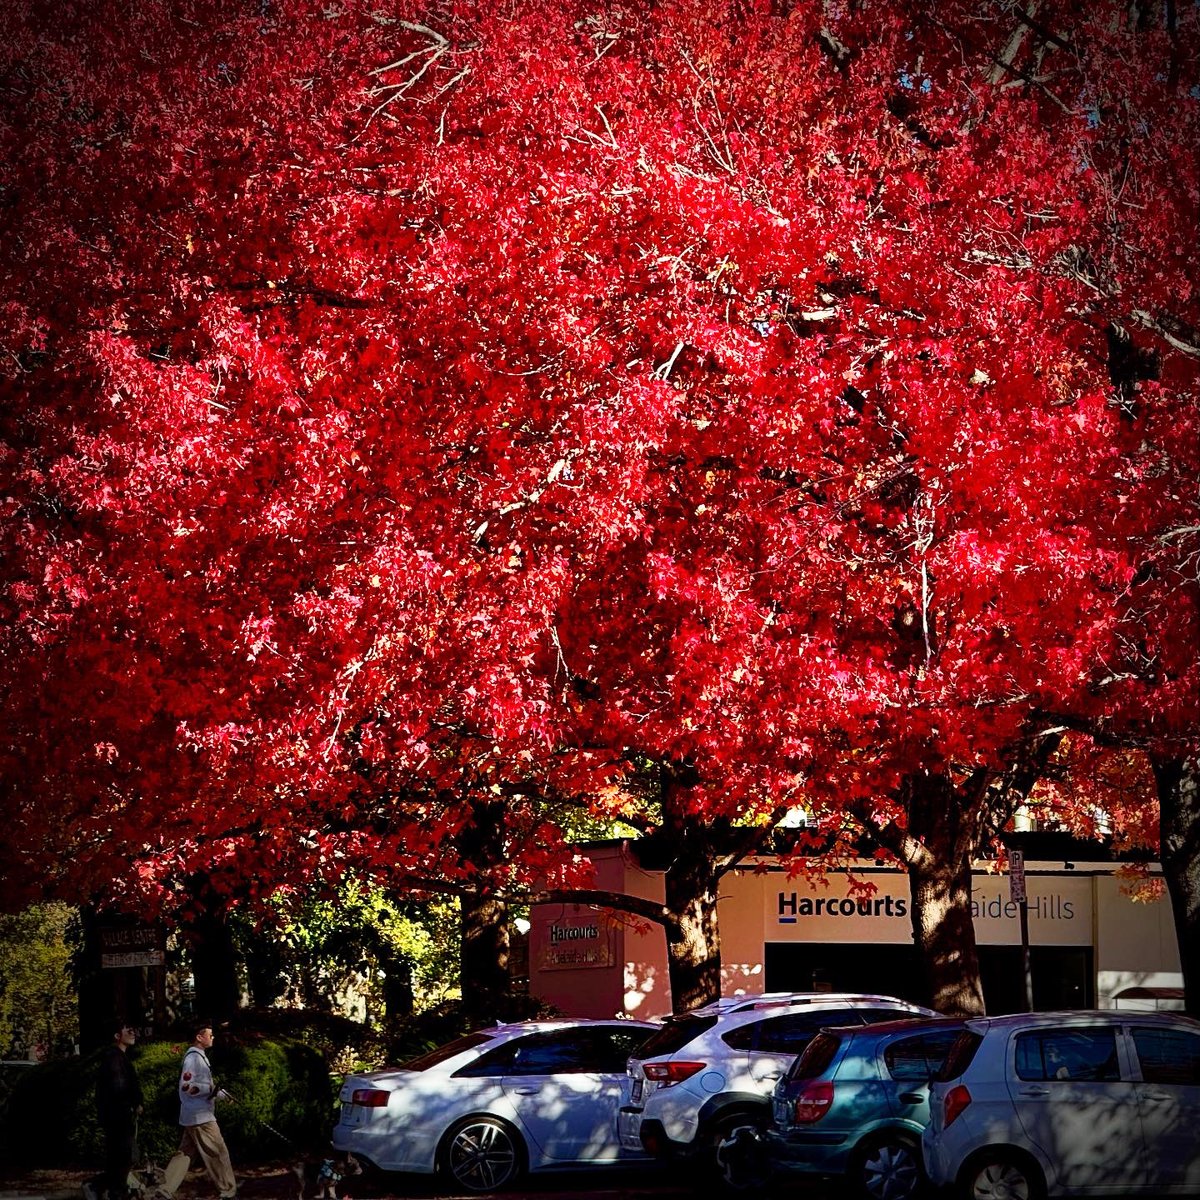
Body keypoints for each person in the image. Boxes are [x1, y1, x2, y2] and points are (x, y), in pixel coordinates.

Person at [157, 1020, 236, 1200]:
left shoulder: (199, 1057)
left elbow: (205, 1086)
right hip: (201, 1116)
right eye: (210, 1035)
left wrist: (223, 1095)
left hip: (193, 1115)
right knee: (218, 1152)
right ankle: (228, 1191)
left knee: (185, 1154)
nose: (213, 1037)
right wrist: (213, 1091)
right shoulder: (193, 1058)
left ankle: (165, 1188)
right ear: (199, 1038)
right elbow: (187, 1087)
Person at [83, 1021, 143, 1200]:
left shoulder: (119, 1057)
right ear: (117, 1036)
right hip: (118, 1115)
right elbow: (119, 1087)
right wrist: (133, 1103)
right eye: (128, 1030)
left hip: (118, 1114)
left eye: (134, 1030)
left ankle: (100, 1186)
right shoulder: (114, 1058)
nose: (133, 1033)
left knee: (121, 1157)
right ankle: (110, 1190)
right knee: (123, 1156)